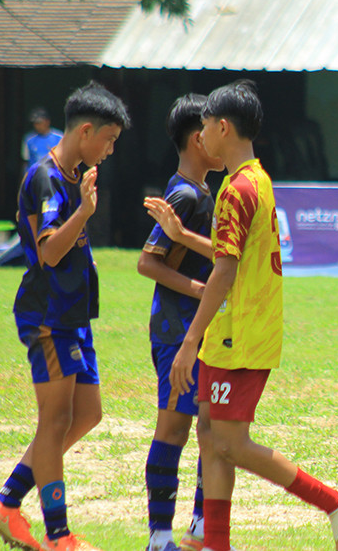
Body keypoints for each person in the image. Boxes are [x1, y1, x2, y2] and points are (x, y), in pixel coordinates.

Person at [167, 80, 338, 551]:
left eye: (205, 128)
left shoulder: (237, 189)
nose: (202, 137)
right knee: (211, 434)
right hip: (234, 331)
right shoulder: (256, 178)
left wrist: (189, 341)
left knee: (230, 442)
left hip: (241, 334)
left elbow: (225, 270)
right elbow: (232, 252)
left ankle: (335, 503)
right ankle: (216, 542)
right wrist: (183, 235)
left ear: (221, 127)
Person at [0, 81, 130, 551]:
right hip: (48, 317)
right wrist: (84, 213)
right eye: (108, 140)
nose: (109, 150)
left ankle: (6, 500)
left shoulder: (71, 175)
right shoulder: (45, 177)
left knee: (87, 413)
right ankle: (59, 534)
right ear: (85, 131)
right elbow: (48, 252)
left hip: (73, 316)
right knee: (55, 421)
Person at [136, 94, 223, 551]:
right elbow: (148, 263)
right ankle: (160, 536)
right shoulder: (185, 194)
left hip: (200, 330)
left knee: (209, 427)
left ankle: (201, 528)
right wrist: (197, 290)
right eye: (214, 129)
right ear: (198, 137)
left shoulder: (203, 190)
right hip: (176, 332)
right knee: (174, 428)